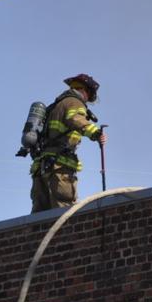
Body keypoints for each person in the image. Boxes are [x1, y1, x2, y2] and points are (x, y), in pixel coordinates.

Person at [30, 74, 106, 213]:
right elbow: (75, 119)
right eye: (89, 96)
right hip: (60, 167)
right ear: (85, 91)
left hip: (42, 166)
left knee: (39, 215)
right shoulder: (74, 102)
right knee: (64, 212)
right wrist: (96, 133)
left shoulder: (56, 105)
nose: (88, 100)